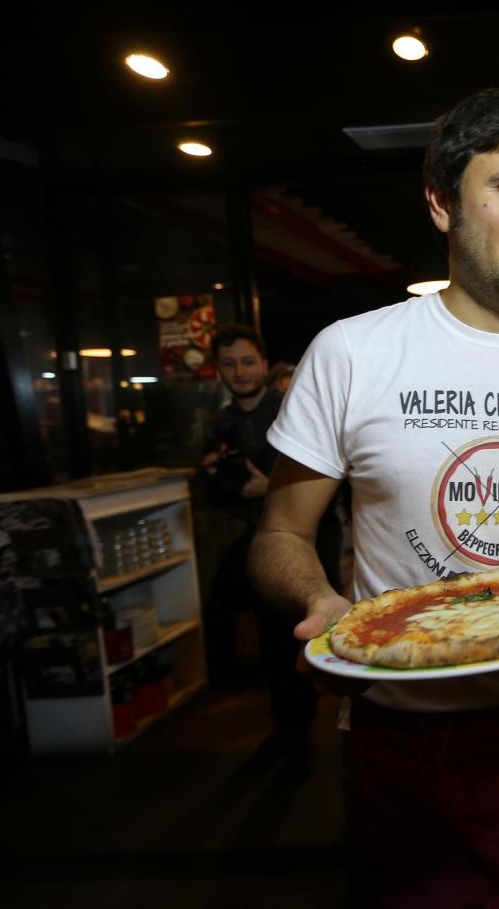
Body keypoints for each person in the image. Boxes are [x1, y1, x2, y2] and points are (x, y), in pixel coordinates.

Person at [248, 88, 499, 908]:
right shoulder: (353, 354)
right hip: (404, 727)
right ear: (441, 203)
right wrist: (321, 602)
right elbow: (279, 535)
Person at [201, 325, 318, 777]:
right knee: (269, 643)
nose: (240, 371)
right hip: (246, 544)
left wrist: (267, 489)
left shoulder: (294, 410)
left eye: (248, 361)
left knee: (297, 636)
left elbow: (321, 487)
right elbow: (217, 494)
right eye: (229, 363)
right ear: (218, 370)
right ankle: (287, 729)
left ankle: (303, 733)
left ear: (264, 365)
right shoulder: (217, 425)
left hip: (303, 543)